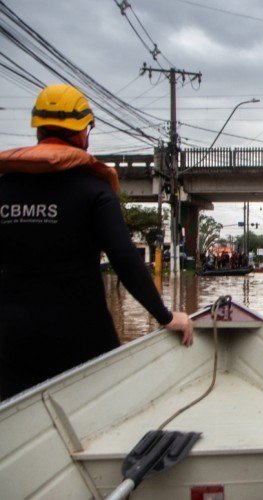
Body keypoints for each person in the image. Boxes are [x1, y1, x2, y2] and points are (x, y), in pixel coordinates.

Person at [0, 84, 194, 400]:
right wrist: (166, 316)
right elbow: (124, 258)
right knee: (109, 408)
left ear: (38, 129)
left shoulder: (4, 188)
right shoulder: (94, 190)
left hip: (12, 336)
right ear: (81, 132)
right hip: (82, 332)